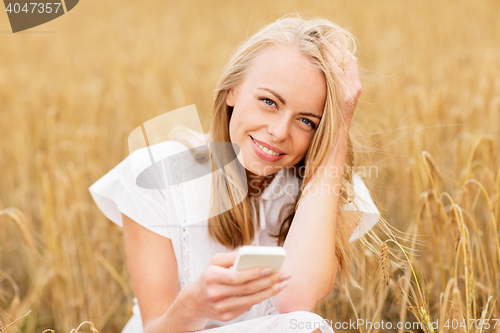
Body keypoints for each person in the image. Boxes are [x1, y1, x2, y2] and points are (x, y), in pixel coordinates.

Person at [89, 14, 381, 333]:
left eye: (307, 121)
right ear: (232, 90)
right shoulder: (156, 174)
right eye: (269, 101)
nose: (279, 131)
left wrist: (338, 131)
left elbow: (296, 303)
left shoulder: (337, 188)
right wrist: (192, 305)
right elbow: (155, 327)